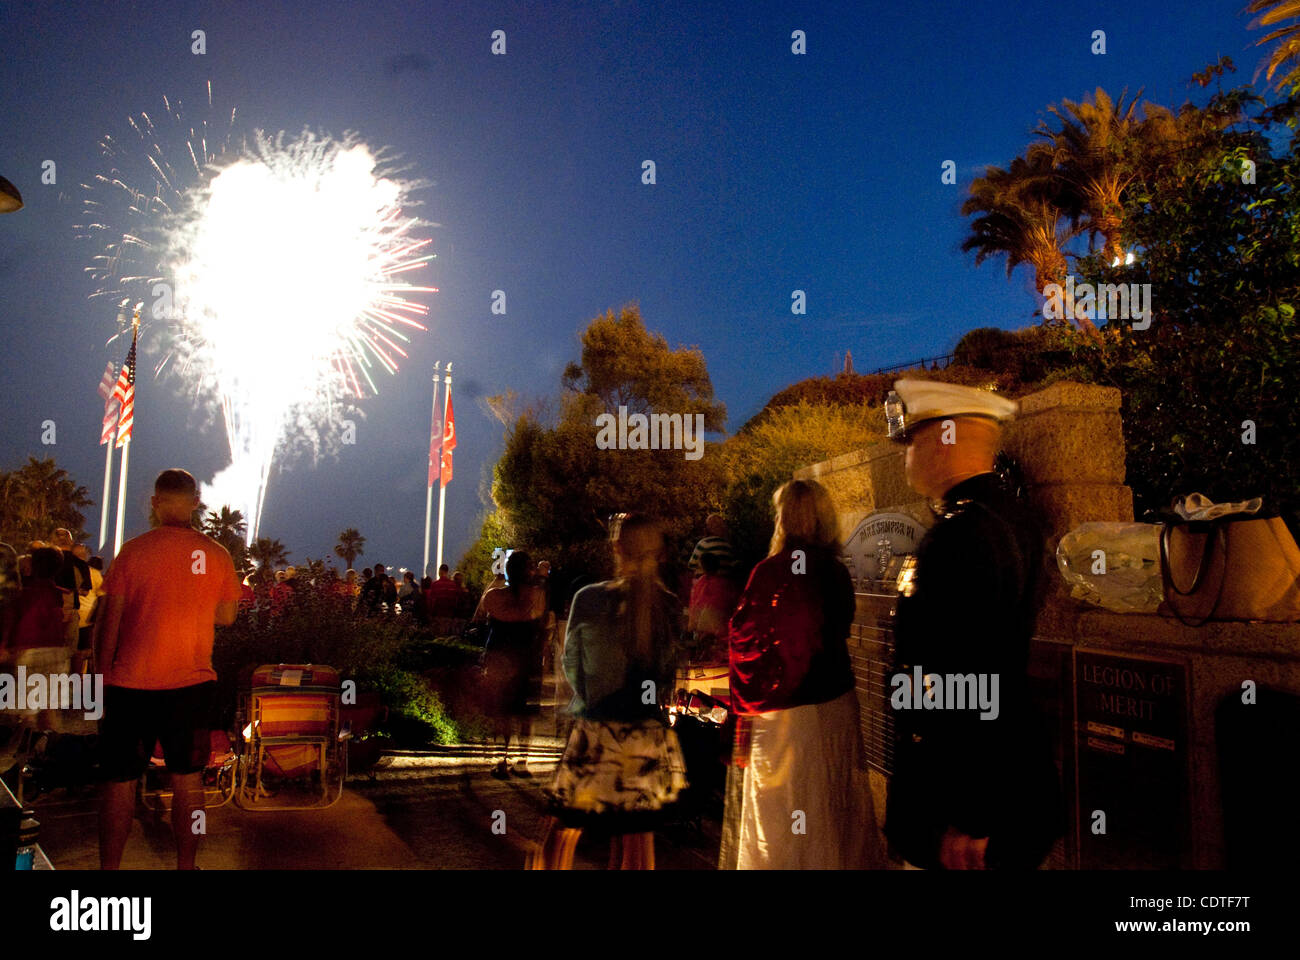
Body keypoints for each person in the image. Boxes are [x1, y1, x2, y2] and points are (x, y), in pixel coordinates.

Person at [882, 379, 1062, 870]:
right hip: (1005, 784)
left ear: (945, 437)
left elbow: (972, 674)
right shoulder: (1011, 519)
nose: (907, 456)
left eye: (914, 440)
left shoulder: (960, 536)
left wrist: (970, 814)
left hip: (960, 799)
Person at [727, 479, 884, 869]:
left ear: (782, 518)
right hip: (834, 706)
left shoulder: (770, 573)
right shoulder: (834, 571)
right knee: (834, 807)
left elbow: (746, 639)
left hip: (785, 717)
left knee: (785, 815)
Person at [94, 468, 240, 870]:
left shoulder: (133, 552)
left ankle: (109, 868)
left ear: (155, 503)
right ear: (195, 502)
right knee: (188, 781)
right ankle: (186, 865)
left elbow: (110, 622)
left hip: (129, 683)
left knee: (120, 781)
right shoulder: (216, 554)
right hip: (190, 685)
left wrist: (99, 681)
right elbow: (227, 616)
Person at [533, 514, 688, 870]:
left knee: (562, 832)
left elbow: (573, 667)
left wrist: (589, 700)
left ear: (616, 547)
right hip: (648, 736)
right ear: (658, 553)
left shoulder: (589, 599)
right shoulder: (668, 604)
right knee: (636, 840)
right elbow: (666, 675)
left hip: (599, 730)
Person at [475, 552, 546, 778]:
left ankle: (500, 760)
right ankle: (522, 761)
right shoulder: (537, 596)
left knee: (501, 710)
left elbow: (482, 616)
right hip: (527, 658)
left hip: (499, 656)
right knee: (525, 712)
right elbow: (538, 624)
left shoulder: (493, 596)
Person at [687, 550, 739, 662]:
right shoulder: (723, 582)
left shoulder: (702, 583)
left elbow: (696, 601)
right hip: (719, 623)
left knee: (706, 646)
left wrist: (692, 621)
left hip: (706, 621)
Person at [688, 513, 737, 578]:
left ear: (708, 527)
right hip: (725, 583)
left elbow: (691, 565)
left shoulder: (704, 543)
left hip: (707, 582)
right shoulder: (728, 546)